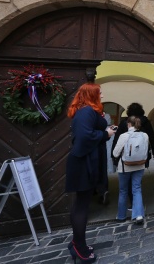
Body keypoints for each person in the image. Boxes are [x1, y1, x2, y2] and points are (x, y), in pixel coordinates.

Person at [65, 82, 115, 263]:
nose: (101, 96)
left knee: (82, 203)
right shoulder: (86, 111)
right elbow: (85, 137)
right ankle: (80, 247)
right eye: (99, 93)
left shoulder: (86, 111)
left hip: (85, 162)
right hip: (83, 163)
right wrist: (106, 134)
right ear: (90, 95)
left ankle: (77, 242)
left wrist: (104, 131)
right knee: (81, 206)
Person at [111, 103, 154, 204]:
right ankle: (136, 205)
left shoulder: (125, 123)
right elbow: (152, 136)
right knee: (137, 181)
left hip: (126, 158)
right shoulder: (145, 122)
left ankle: (130, 201)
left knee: (126, 183)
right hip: (142, 156)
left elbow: (117, 138)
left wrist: (114, 155)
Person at [112, 116, 148, 224]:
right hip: (140, 166)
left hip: (125, 167)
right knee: (137, 189)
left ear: (128, 124)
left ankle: (121, 216)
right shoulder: (145, 135)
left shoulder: (124, 136)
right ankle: (138, 215)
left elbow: (115, 153)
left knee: (123, 191)